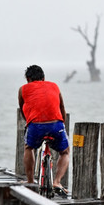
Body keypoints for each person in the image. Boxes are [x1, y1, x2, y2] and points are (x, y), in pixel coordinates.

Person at [18, 65, 70, 196]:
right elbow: (61, 106)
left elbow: (23, 108)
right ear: (44, 78)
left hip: (35, 126)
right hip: (56, 125)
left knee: (29, 148)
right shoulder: (54, 86)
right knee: (65, 152)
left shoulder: (23, 89)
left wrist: (28, 123)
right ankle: (57, 181)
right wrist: (61, 123)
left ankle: (30, 181)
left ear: (28, 79)